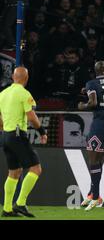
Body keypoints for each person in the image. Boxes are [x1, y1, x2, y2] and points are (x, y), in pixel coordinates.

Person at [0, 67, 48, 217]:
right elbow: (31, 117)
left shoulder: (2, 94)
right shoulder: (24, 93)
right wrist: (42, 131)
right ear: (26, 79)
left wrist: (4, 129)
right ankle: (20, 203)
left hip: (6, 136)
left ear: (13, 77)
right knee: (36, 169)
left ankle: (7, 208)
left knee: (14, 172)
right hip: (17, 135)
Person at [78, 61, 104, 211]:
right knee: (99, 161)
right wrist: (87, 90)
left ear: (96, 71)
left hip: (99, 123)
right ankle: (91, 194)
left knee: (93, 160)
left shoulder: (91, 83)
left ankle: (95, 197)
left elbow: (93, 103)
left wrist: (82, 105)